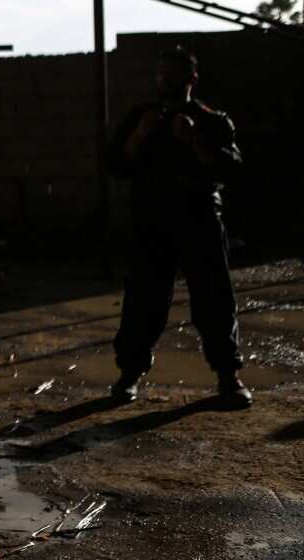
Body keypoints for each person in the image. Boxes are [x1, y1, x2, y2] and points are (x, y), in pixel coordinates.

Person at [106, 46, 251, 408]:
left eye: (171, 73)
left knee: (214, 299)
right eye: (159, 73)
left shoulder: (212, 120)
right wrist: (139, 136)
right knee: (143, 301)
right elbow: (115, 166)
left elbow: (230, 170)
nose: (163, 80)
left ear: (191, 79)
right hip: (151, 222)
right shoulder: (142, 116)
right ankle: (129, 374)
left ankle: (228, 376)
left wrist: (194, 139)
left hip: (199, 219)